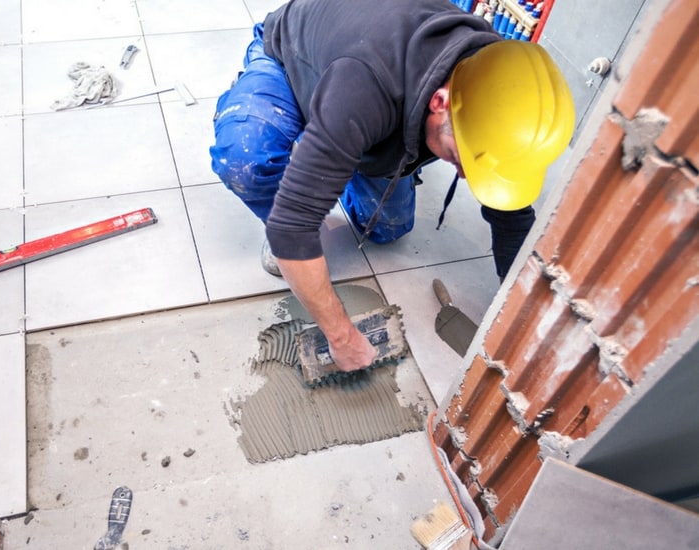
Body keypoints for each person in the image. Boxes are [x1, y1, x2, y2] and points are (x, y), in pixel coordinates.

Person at [209, 0, 574, 372]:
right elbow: (292, 226)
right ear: (440, 102)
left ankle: (329, 153)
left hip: (357, 100)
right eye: (460, 159)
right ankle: (312, 151)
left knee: (388, 229)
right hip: (292, 58)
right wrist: (342, 337)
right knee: (246, 158)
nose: (464, 176)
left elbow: (512, 218)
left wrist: (524, 309)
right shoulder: (366, 86)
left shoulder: (494, 84)